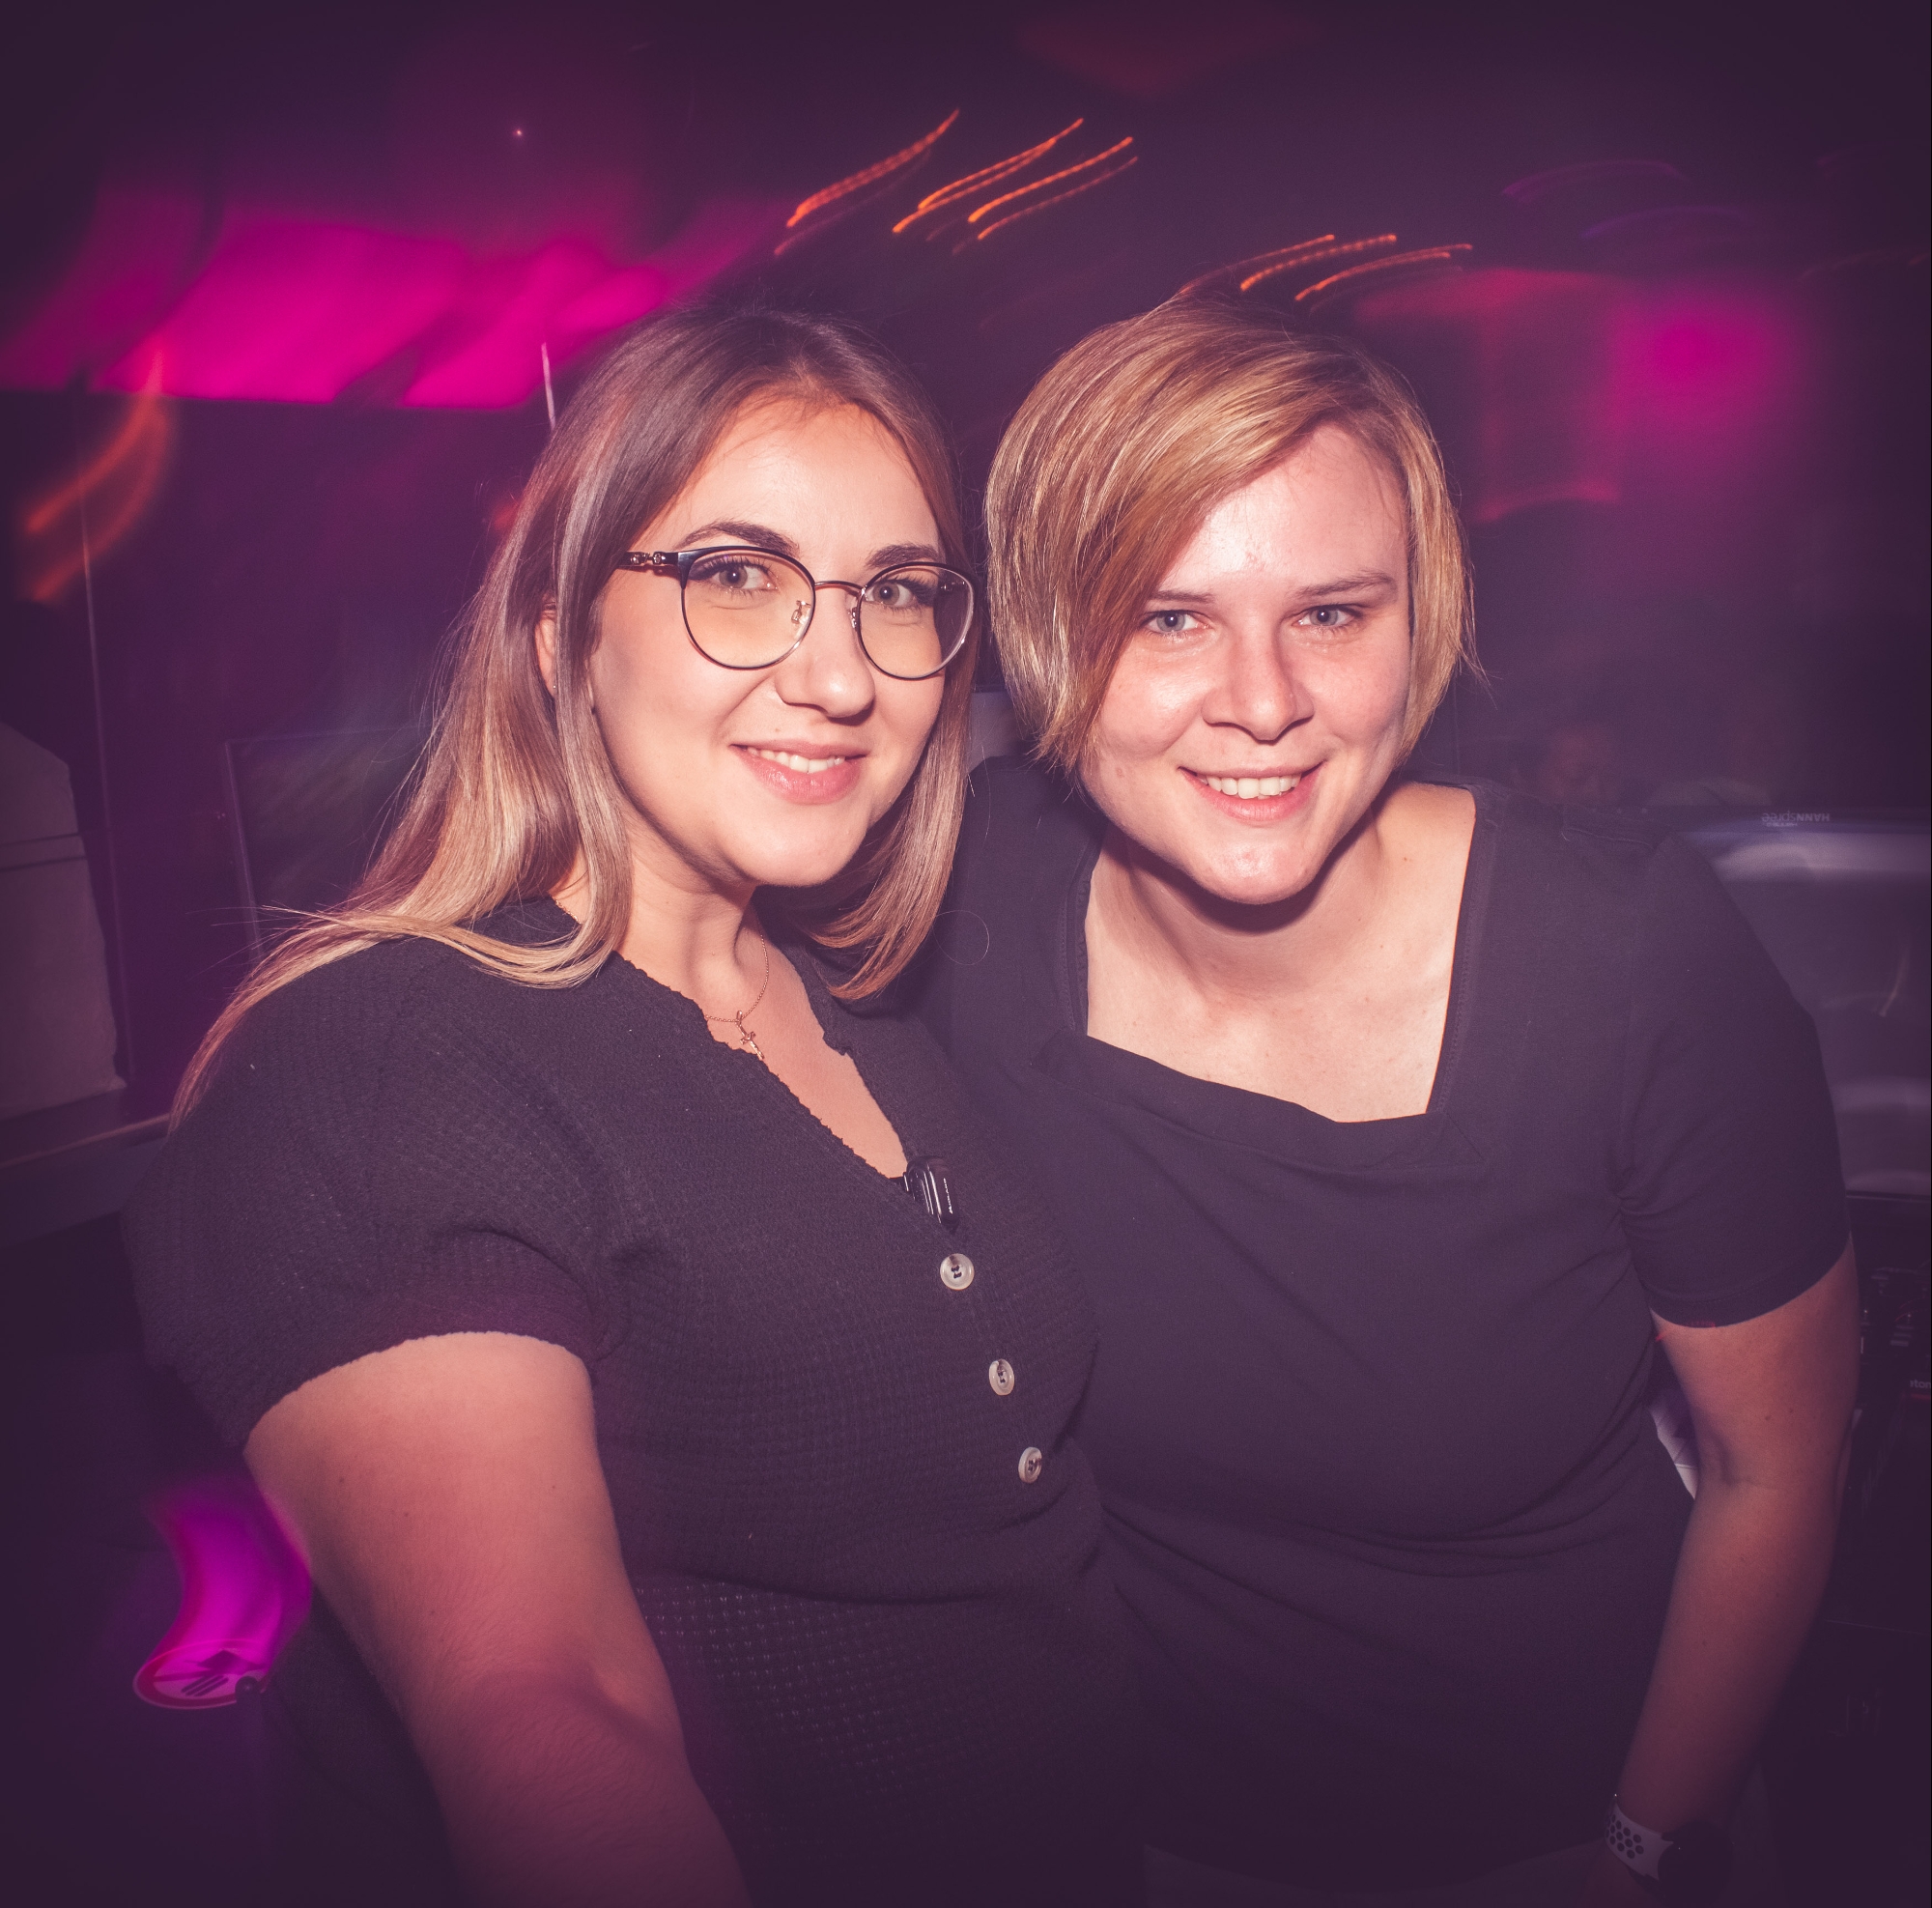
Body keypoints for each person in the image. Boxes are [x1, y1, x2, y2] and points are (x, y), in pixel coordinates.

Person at [126, 305, 1142, 1908]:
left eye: (894, 592)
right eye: (736, 575)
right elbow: (545, 1707)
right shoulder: (382, 1060)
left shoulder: (861, 1001)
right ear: (560, 641)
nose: (839, 674)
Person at [911, 300, 1857, 1905]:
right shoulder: (965, 900)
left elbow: (1779, 1470)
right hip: (1120, 1834)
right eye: (1168, 618)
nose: (1264, 700)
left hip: (1553, 1837)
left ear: (1421, 620)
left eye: (1332, 613)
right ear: (1053, 635)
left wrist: (1641, 1850)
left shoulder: (1624, 962)